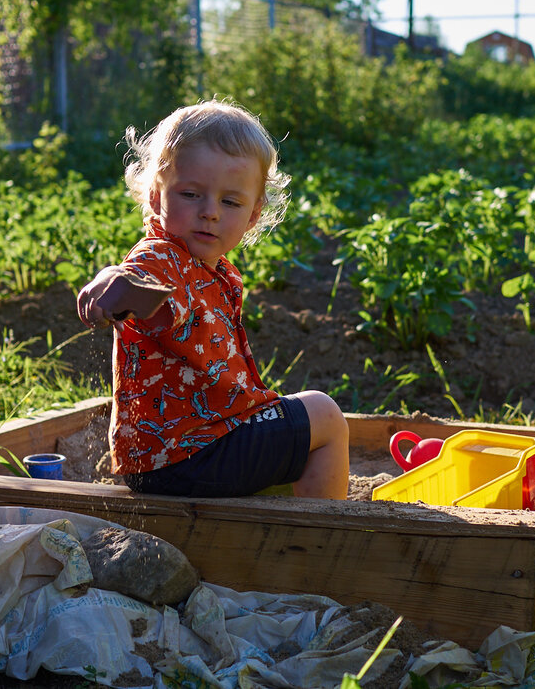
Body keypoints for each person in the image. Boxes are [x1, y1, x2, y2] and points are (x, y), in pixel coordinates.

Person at [75, 100, 350, 499]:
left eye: (230, 202)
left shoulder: (217, 272)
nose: (210, 212)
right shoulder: (162, 256)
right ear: (156, 196)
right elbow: (139, 278)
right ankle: (326, 530)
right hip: (185, 454)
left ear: (253, 215)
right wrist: (112, 280)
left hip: (189, 449)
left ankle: (280, 511)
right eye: (191, 194)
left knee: (283, 419)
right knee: (325, 416)